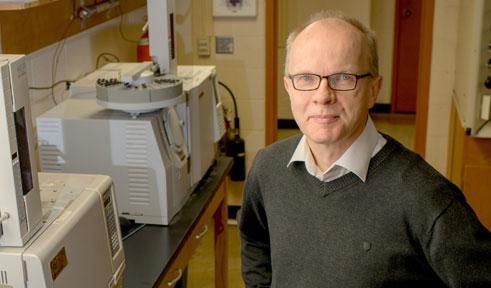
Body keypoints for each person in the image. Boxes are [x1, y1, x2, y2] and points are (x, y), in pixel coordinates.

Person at [238, 10, 491, 288]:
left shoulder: (425, 197)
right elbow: (253, 238)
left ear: (374, 89)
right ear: (289, 87)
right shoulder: (267, 168)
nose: (323, 96)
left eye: (344, 78)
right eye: (306, 78)